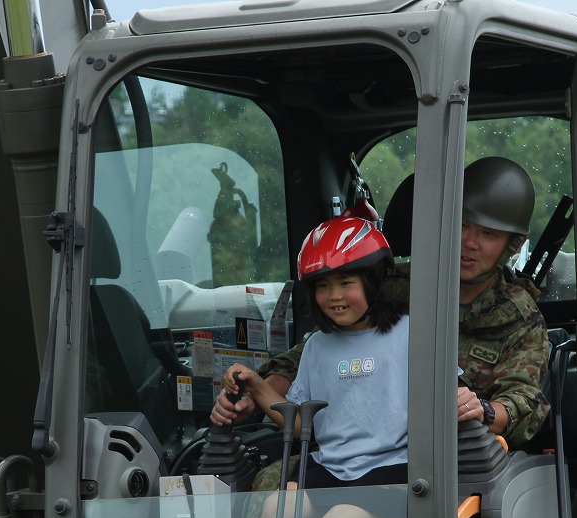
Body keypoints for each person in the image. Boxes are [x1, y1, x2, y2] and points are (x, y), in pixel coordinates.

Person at [213, 156, 550, 448]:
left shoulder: (520, 319)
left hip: (454, 458)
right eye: (461, 225)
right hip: (353, 441)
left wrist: (484, 410)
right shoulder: (391, 287)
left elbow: (524, 402)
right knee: (270, 488)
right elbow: (312, 356)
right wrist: (253, 398)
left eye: (487, 234)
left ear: (515, 243)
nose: (469, 242)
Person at [219, 215, 407, 518]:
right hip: (334, 470)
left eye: (347, 282)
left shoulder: (410, 334)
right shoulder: (318, 347)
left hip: (393, 475)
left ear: (376, 280)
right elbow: (299, 426)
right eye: (323, 287)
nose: (335, 296)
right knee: (275, 508)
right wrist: (255, 385)